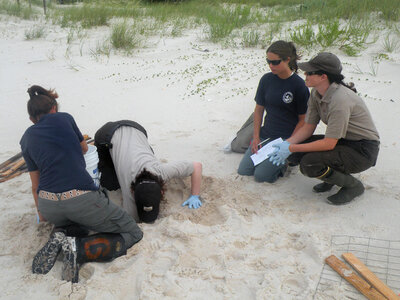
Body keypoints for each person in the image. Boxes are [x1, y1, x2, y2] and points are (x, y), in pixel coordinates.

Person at [20, 86, 143, 283]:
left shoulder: (26, 138)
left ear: (31, 119)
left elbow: (35, 185)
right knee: (133, 231)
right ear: (54, 108)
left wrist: (42, 214)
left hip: (48, 205)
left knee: (74, 221)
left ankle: (60, 234)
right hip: (79, 198)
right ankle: (81, 250)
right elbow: (85, 149)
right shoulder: (65, 118)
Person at [269, 52, 380, 205]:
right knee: (295, 154)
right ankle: (331, 177)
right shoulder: (316, 93)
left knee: (309, 163)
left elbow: (329, 144)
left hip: (363, 150)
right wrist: (287, 143)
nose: (305, 74)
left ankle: (353, 186)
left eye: (310, 72)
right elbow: (308, 127)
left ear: (324, 76)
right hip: (344, 141)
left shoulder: (340, 100)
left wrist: (292, 147)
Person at [94, 120, 203, 223]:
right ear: (132, 192)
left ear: (161, 192)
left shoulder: (162, 172)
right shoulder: (129, 194)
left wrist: (195, 195)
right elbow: (130, 221)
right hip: (107, 134)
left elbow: (197, 166)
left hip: (137, 129)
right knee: (111, 185)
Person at [237, 40, 310, 183]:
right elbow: (259, 110)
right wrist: (256, 137)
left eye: (275, 62)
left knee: (262, 176)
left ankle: (287, 163)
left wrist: (289, 144)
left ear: (287, 60)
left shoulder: (299, 86)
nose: (271, 65)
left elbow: (303, 119)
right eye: (268, 61)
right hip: (266, 134)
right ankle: (267, 157)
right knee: (244, 170)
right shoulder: (266, 80)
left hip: (284, 138)